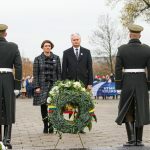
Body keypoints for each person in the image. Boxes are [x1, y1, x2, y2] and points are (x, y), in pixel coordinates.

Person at [115, 24, 150, 147]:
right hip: (141, 82)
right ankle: (139, 140)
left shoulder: (122, 49)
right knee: (140, 108)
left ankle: (131, 139)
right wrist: (149, 86)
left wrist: (118, 86)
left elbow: (118, 68)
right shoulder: (147, 49)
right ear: (140, 35)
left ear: (129, 35)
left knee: (127, 109)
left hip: (127, 82)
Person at [62, 33, 93, 133]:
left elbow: (90, 69)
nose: (76, 41)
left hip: (83, 83)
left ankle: (80, 126)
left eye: (77, 39)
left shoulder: (87, 52)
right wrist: (64, 83)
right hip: (70, 84)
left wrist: (90, 83)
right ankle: (72, 125)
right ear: (71, 41)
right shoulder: (66, 52)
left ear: (80, 40)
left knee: (82, 105)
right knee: (71, 105)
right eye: (74, 40)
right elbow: (64, 69)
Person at [0, 24, 22, 149]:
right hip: (8, 79)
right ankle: (6, 140)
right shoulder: (13, 47)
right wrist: (17, 86)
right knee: (8, 109)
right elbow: (18, 66)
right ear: (5, 33)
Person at [33, 40, 61, 134]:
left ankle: (52, 125)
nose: (47, 47)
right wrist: (36, 86)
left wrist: (59, 86)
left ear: (51, 47)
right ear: (42, 47)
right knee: (43, 106)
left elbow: (59, 73)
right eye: (45, 46)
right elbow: (35, 74)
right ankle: (45, 125)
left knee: (53, 105)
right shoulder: (37, 59)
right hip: (42, 86)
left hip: (54, 85)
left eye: (49, 46)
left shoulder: (56, 58)